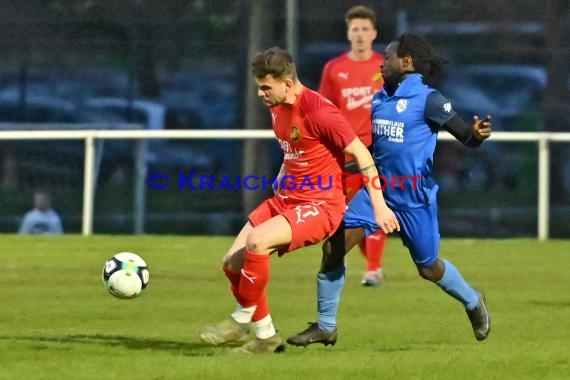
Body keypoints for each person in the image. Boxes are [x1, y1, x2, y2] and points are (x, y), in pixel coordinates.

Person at [287, 34, 492, 347]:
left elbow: (466, 137)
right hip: (377, 192)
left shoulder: (429, 100)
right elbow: (374, 149)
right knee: (333, 248)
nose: (382, 62)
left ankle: (472, 300)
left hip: (414, 198)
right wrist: (342, 165)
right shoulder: (380, 98)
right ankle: (326, 326)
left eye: (388, 56)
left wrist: (477, 135)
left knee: (428, 268)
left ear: (406, 62)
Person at [197, 47, 399, 354]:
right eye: (258, 86)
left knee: (257, 242)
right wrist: (283, 171)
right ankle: (266, 337)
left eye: (266, 87)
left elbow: (361, 154)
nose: (260, 93)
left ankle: (240, 320)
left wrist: (380, 205)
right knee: (231, 264)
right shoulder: (277, 105)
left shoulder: (320, 111)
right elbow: (296, 144)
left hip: (320, 206)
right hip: (286, 199)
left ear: (288, 83)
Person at [319, 5, 388, 286]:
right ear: (348, 33)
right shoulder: (335, 69)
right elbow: (324, 109)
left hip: (377, 149)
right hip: (344, 152)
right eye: (355, 29)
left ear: (374, 33)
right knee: (347, 212)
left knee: (375, 204)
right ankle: (353, 257)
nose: (360, 34)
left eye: (364, 29)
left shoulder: (384, 67)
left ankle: (374, 268)